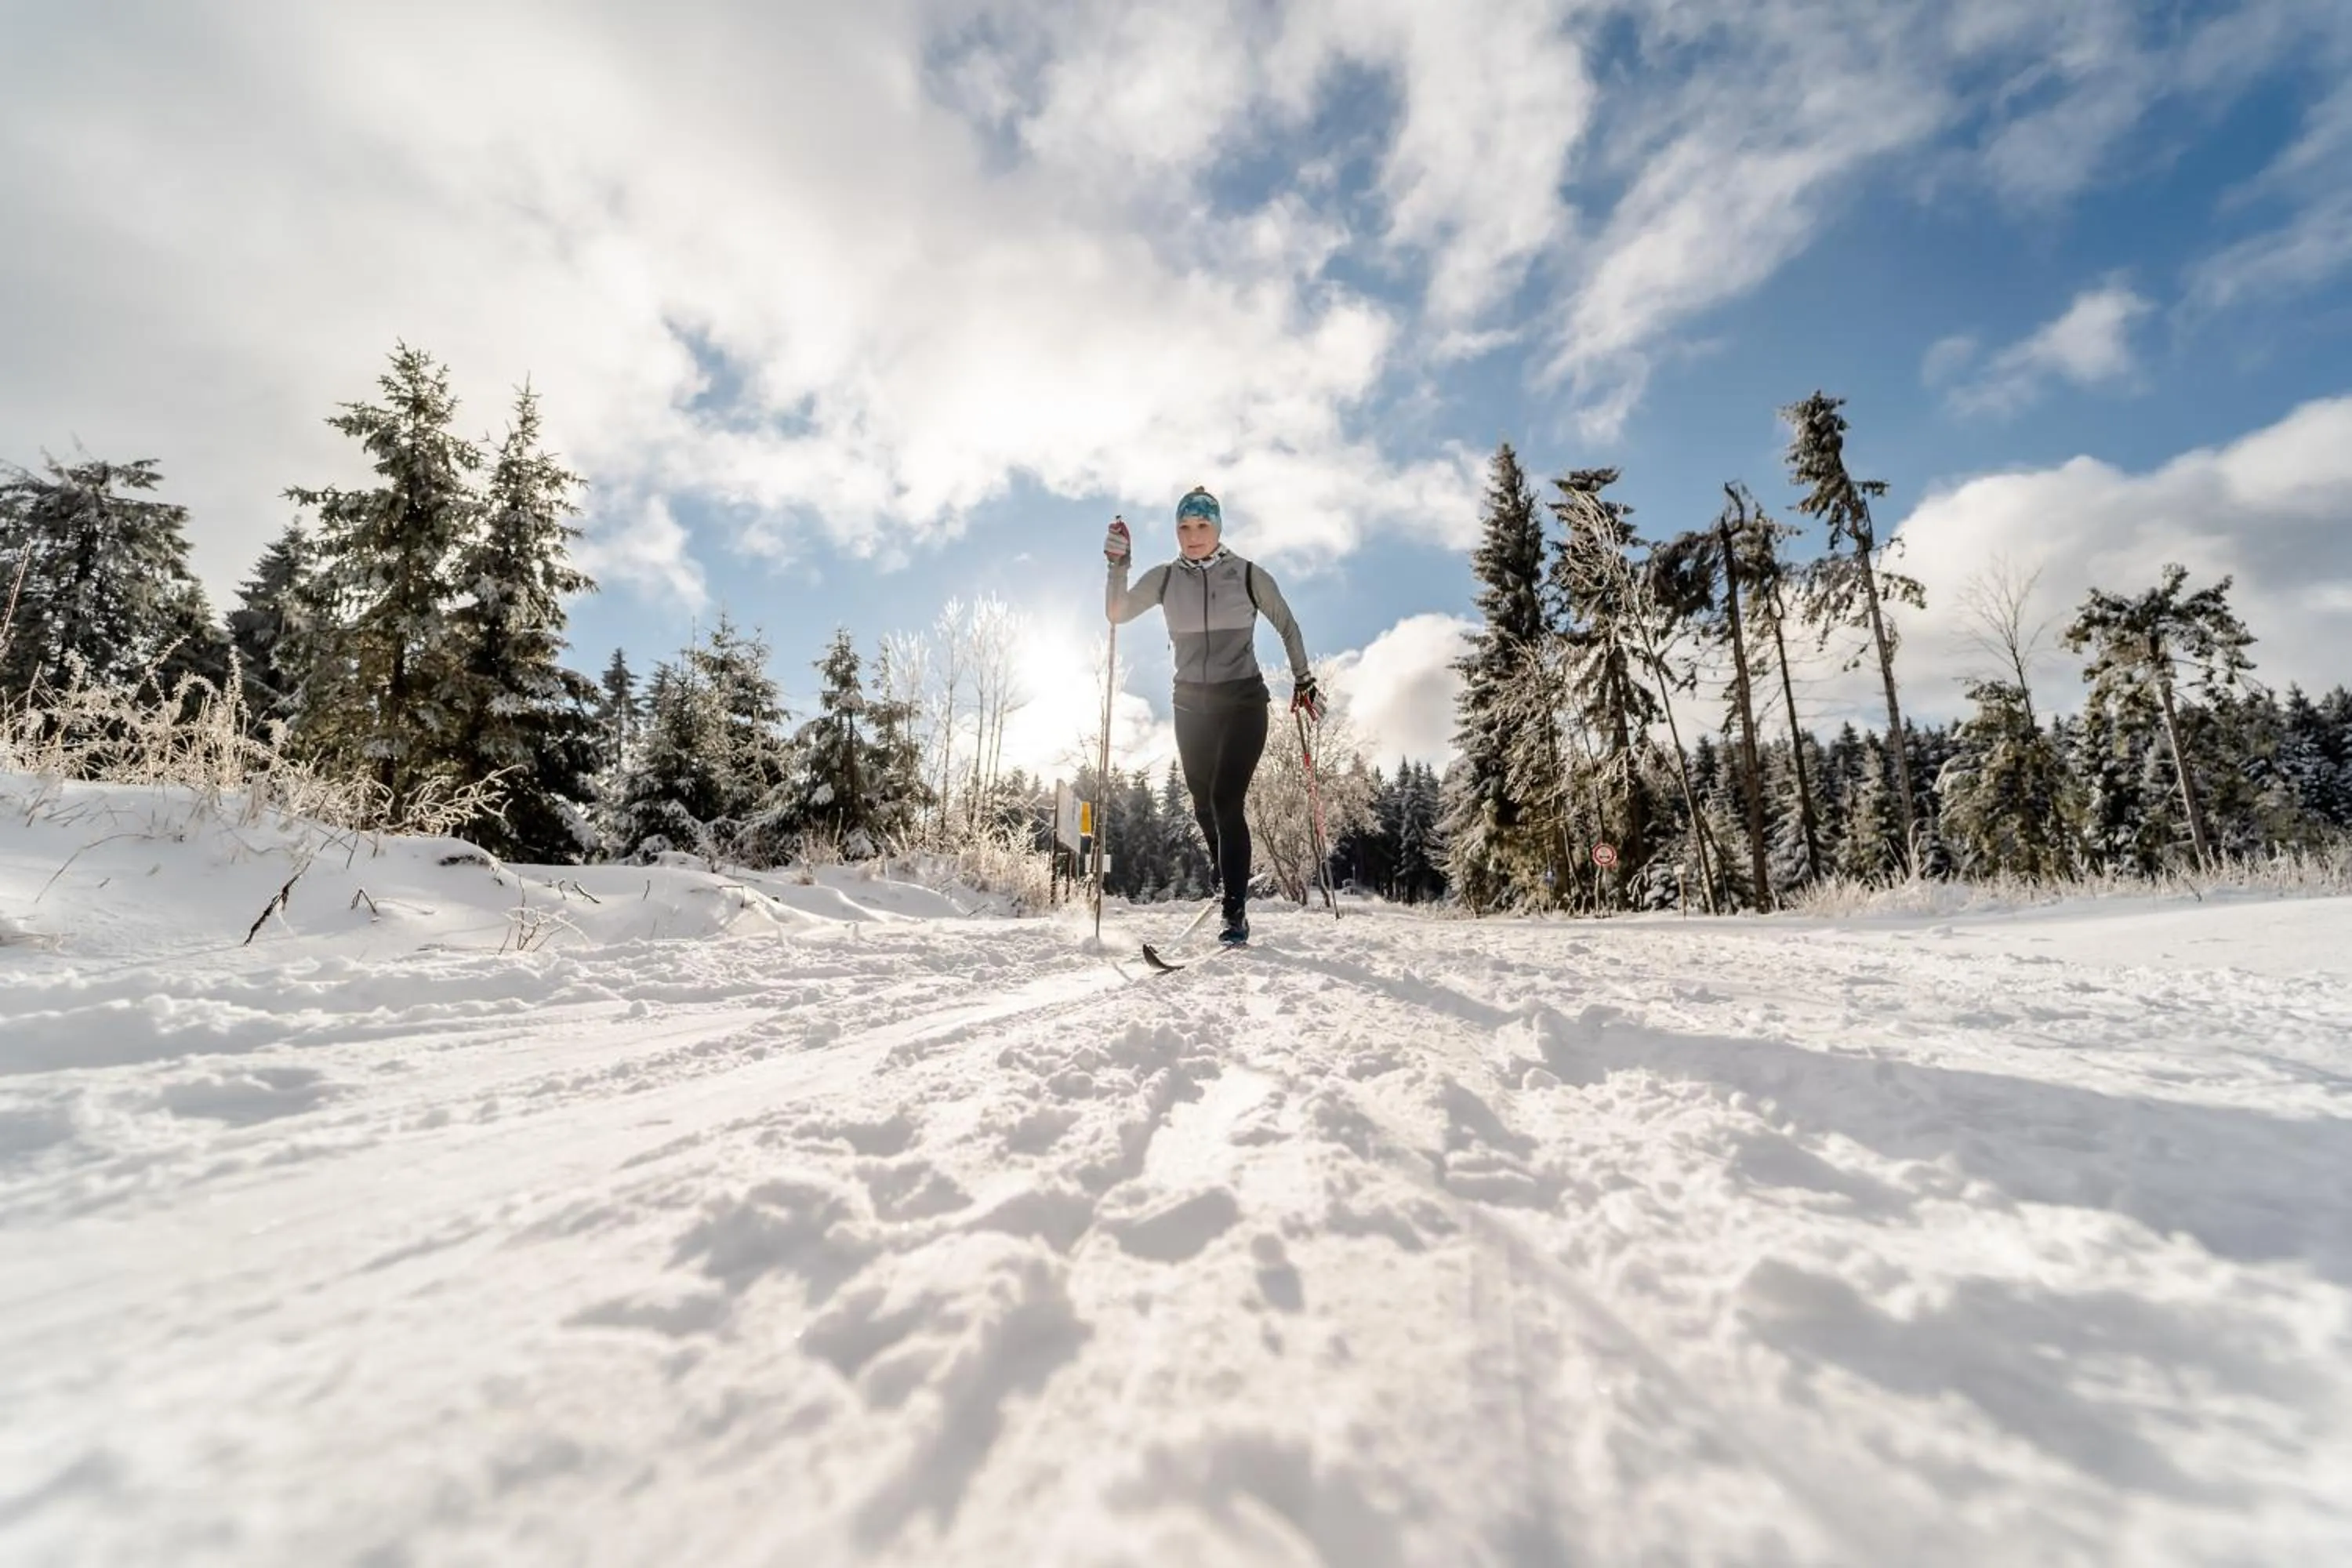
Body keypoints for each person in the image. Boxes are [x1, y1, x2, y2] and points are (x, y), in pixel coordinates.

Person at [1104, 485, 1321, 946]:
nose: (1193, 535)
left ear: (1218, 527)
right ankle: (1228, 882)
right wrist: (1118, 566)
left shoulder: (1245, 574)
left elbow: (1287, 623)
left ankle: (1235, 910)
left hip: (1242, 702)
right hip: (1190, 706)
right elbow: (1117, 612)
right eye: (1184, 527)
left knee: (1226, 800)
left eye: (1203, 525)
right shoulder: (1165, 579)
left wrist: (1303, 680)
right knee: (1203, 804)